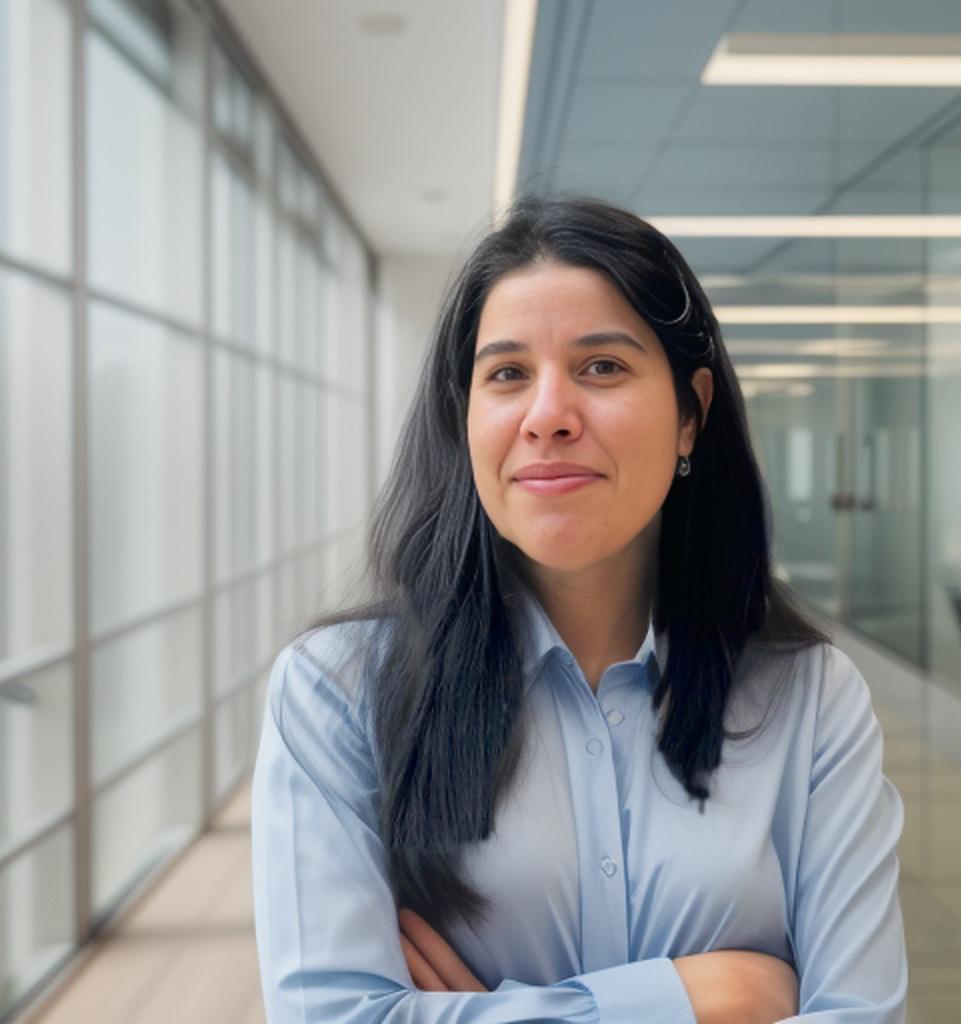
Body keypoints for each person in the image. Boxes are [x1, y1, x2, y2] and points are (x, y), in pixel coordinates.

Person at [251, 196, 908, 1023]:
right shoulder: (336, 693)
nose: (547, 416)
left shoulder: (811, 700)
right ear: (466, 418)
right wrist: (698, 999)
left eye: (602, 366)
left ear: (690, 415)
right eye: (507, 374)